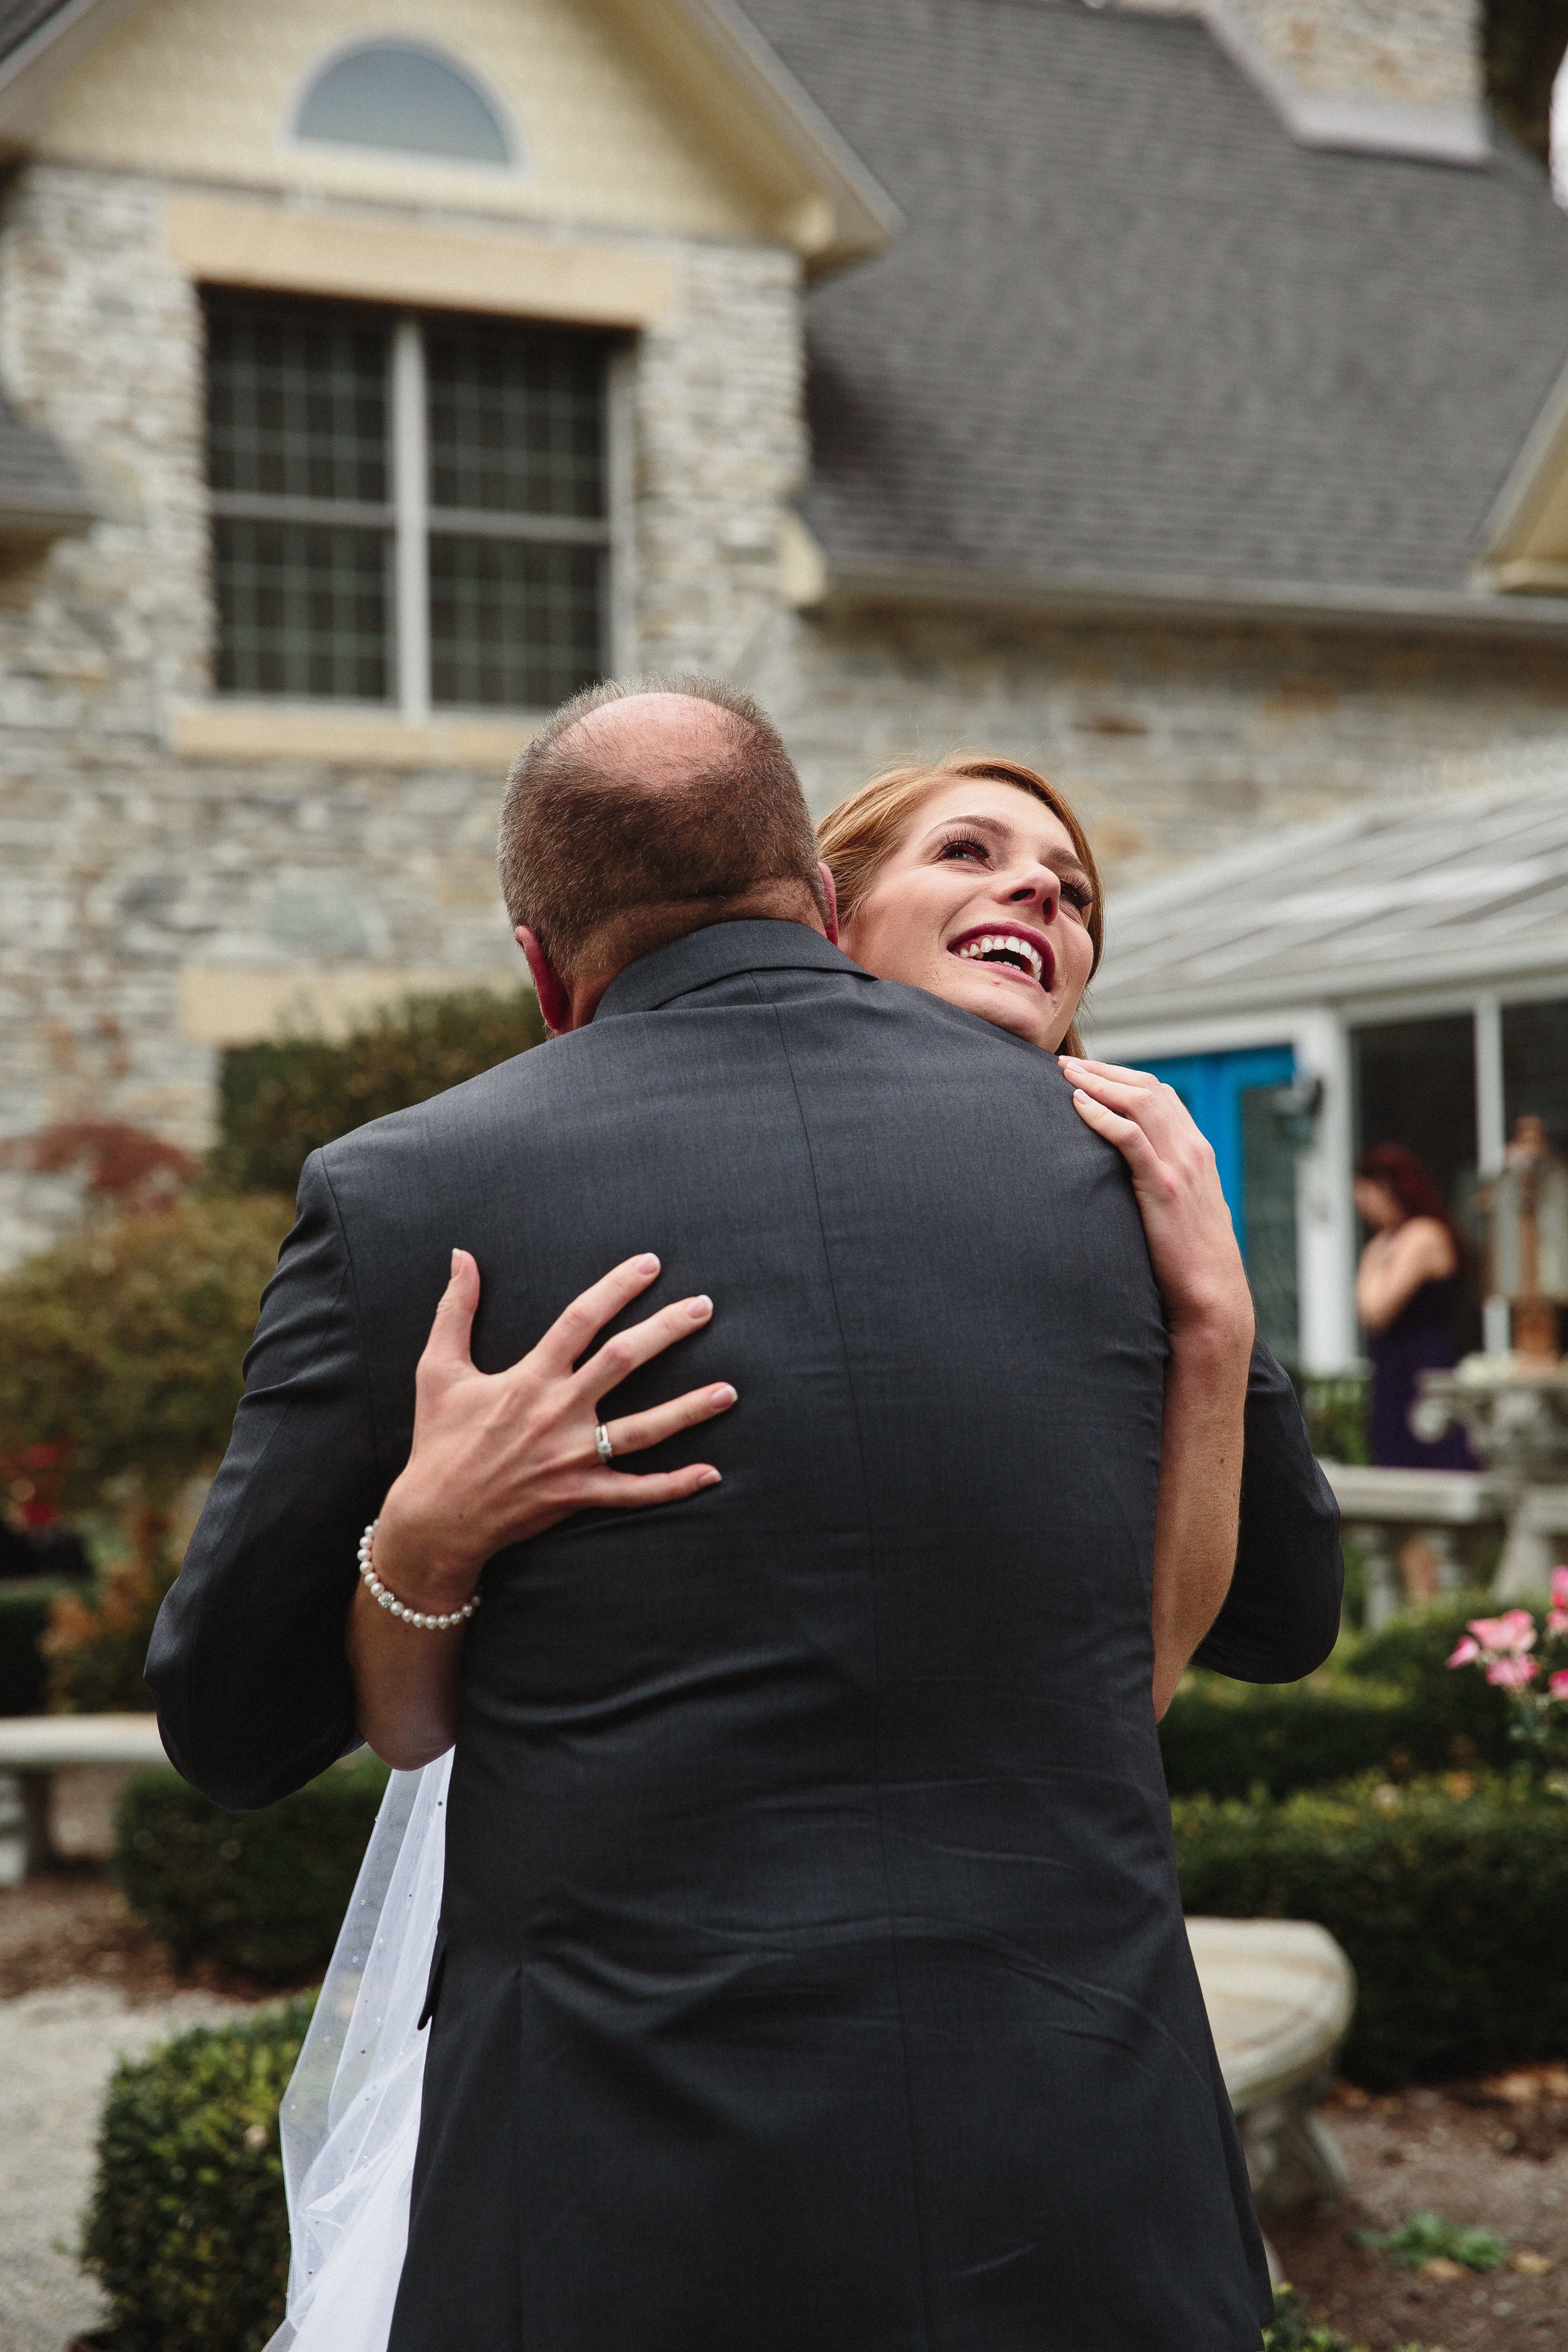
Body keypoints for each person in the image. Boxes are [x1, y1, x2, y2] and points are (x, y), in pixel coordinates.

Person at [148, 687, 1340, 2352]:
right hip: (1081, 2163)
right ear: (828, 902)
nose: (1033, 905)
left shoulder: (410, 1191)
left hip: (625, 2190)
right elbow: (1283, 1626)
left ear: (542, 966)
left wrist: (417, 1537)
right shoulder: (1128, 1174)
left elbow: (230, 1726)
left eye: (1067, 883)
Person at [1353, 1143, 1477, 1475]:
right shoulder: (1384, 1242)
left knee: (1432, 1456)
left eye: (1366, 1194)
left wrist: (1377, 1256)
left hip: (1424, 1368)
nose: (1362, 1206)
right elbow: (1367, 1311)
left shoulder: (1424, 1235)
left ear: (1390, 1188)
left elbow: (1380, 1309)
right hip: (1391, 1368)